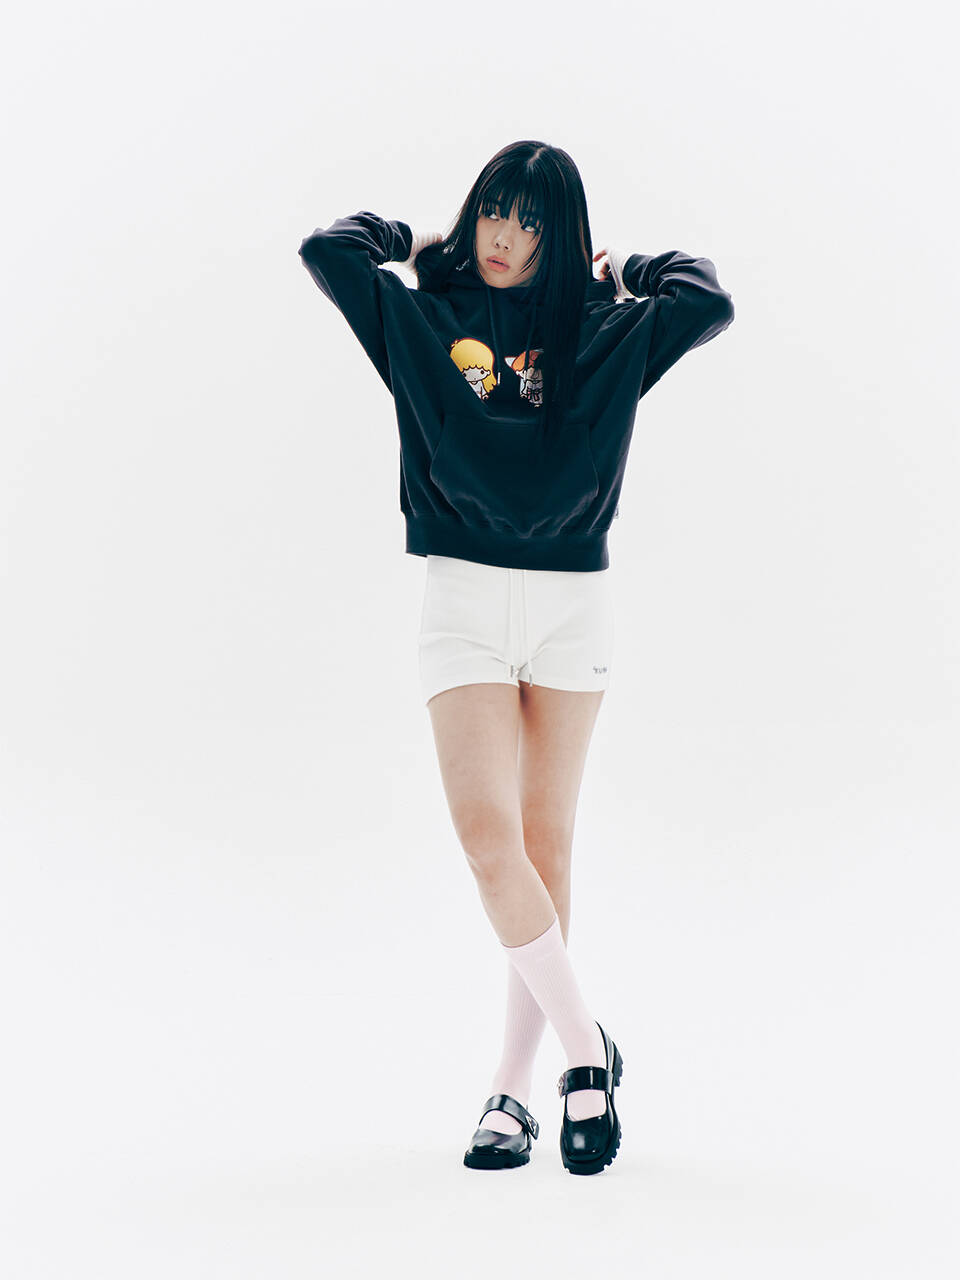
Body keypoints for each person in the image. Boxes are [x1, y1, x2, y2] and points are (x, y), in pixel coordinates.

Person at [298, 139, 735, 1175]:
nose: (504, 236)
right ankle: (589, 1051)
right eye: (494, 210)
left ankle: (511, 1087)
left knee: (545, 848)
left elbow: (706, 300)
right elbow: (329, 252)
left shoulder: (603, 331)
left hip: (572, 609)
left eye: (532, 222)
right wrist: (422, 241)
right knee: (490, 840)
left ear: (562, 239)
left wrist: (623, 268)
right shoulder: (422, 317)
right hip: (462, 603)